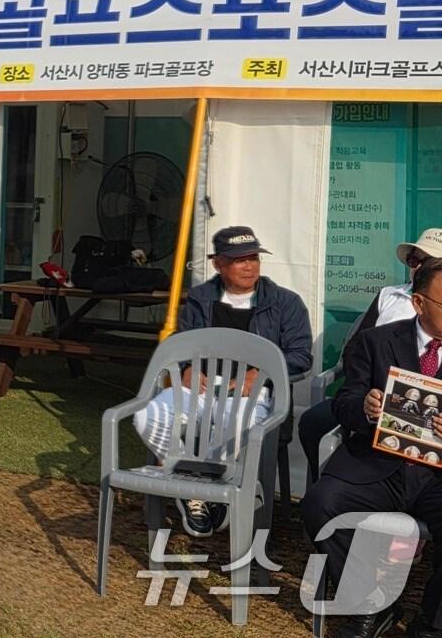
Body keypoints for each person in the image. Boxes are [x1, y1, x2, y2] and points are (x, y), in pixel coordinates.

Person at [135, 225, 311, 538]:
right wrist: (187, 366)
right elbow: (182, 342)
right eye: (239, 259)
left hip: (253, 394)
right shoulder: (201, 298)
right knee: (147, 416)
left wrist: (263, 373)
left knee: (235, 421)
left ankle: (222, 490)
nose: (249, 266)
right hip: (203, 387)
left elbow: (301, 356)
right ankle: (192, 485)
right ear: (219, 264)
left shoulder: (285, 302)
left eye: (254, 258)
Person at [302, 258, 442, 638]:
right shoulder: (376, 342)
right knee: (321, 504)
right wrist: (365, 407)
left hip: (435, 476)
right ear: (418, 303)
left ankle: (431, 623)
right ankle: (371, 605)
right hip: (376, 463)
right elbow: (344, 401)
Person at [299, 230, 442, 477]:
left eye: (427, 261)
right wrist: (372, 387)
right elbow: (355, 347)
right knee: (312, 422)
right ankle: (320, 483)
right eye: (413, 260)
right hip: (375, 394)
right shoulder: (389, 295)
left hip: (431, 410)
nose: (418, 267)